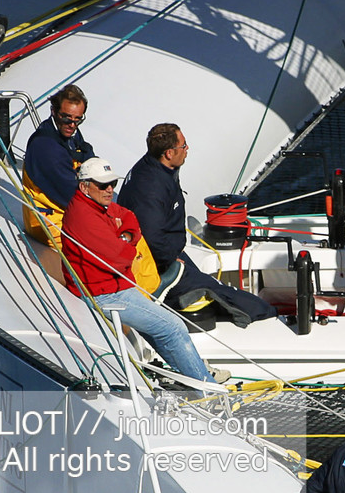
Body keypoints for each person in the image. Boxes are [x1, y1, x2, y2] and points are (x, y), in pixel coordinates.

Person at [60, 156, 219, 385]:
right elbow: (120, 259)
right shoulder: (85, 217)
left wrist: (124, 237)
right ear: (84, 186)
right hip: (104, 294)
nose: (109, 190)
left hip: (116, 286)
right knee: (174, 328)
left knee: (164, 329)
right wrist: (128, 244)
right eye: (103, 185)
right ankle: (208, 391)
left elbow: (130, 218)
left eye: (112, 184)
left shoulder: (98, 205)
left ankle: (192, 382)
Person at [118, 122, 276, 326]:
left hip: (169, 253)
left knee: (210, 282)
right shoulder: (151, 189)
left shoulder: (154, 166)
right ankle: (268, 316)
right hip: (160, 264)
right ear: (168, 153)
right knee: (222, 292)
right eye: (183, 146)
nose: (187, 149)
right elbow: (153, 240)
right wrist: (171, 261)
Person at [22, 84, 96, 250]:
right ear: (53, 112)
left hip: (64, 211)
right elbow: (74, 195)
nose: (72, 124)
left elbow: (85, 151)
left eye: (78, 119)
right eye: (66, 118)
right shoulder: (47, 148)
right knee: (105, 246)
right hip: (49, 223)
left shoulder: (69, 131)